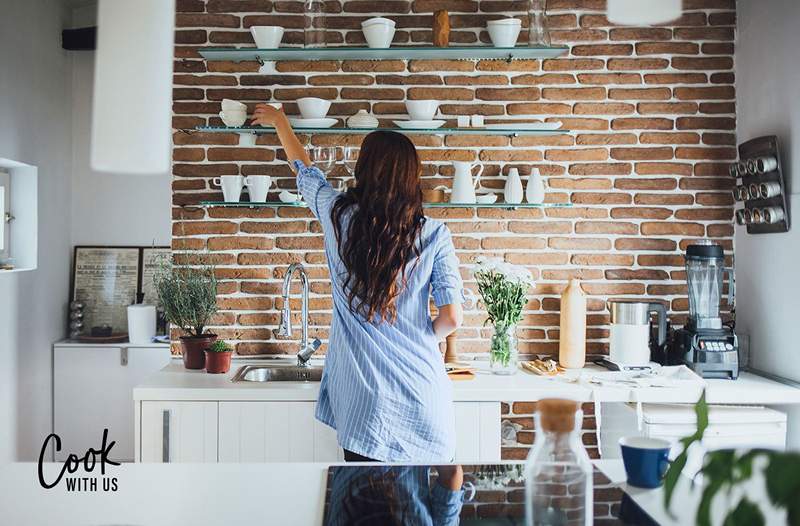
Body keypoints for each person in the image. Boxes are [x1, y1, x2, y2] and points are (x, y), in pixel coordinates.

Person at [252, 104, 465, 463]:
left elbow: (305, 172)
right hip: (424, 400)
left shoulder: (338, 217)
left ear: (363, 170)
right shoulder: (434, 234)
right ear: (413, 178)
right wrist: (423, 334)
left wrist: (280, 122)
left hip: (367, 414)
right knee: (424, 516)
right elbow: (453, 318)